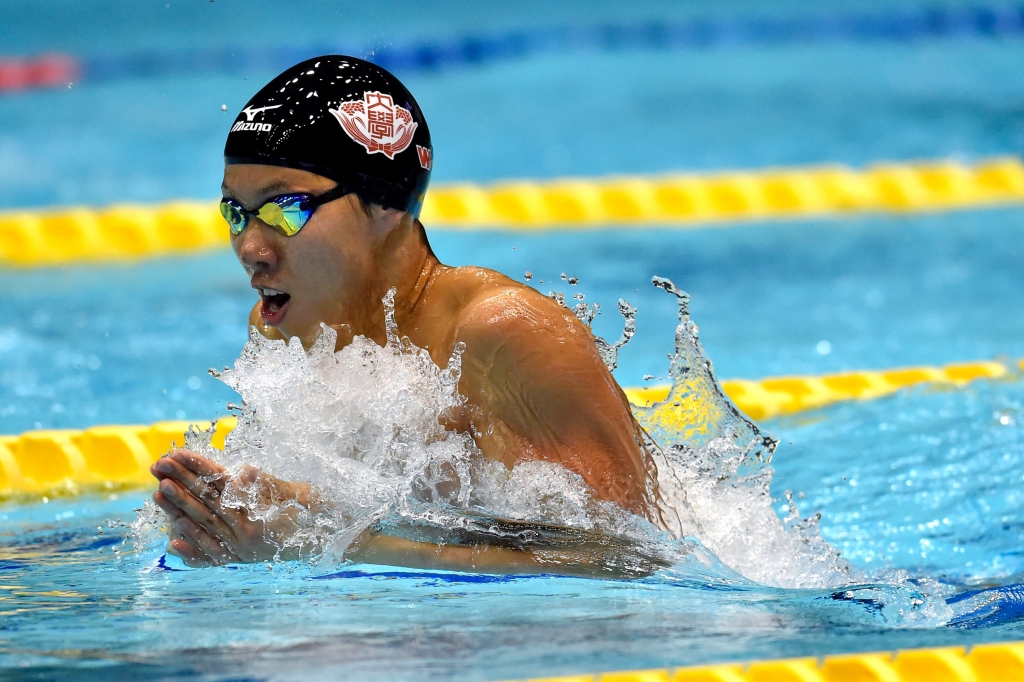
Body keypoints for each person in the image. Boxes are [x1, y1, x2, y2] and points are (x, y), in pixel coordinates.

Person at [150, 55, 659, 573]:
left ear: (386, 200)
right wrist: (232, 527)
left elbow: (626, 557)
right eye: (235, 213)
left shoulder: (501, 334)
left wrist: (332, 538)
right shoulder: (284, 331)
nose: (250, 248)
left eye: (287, 209)